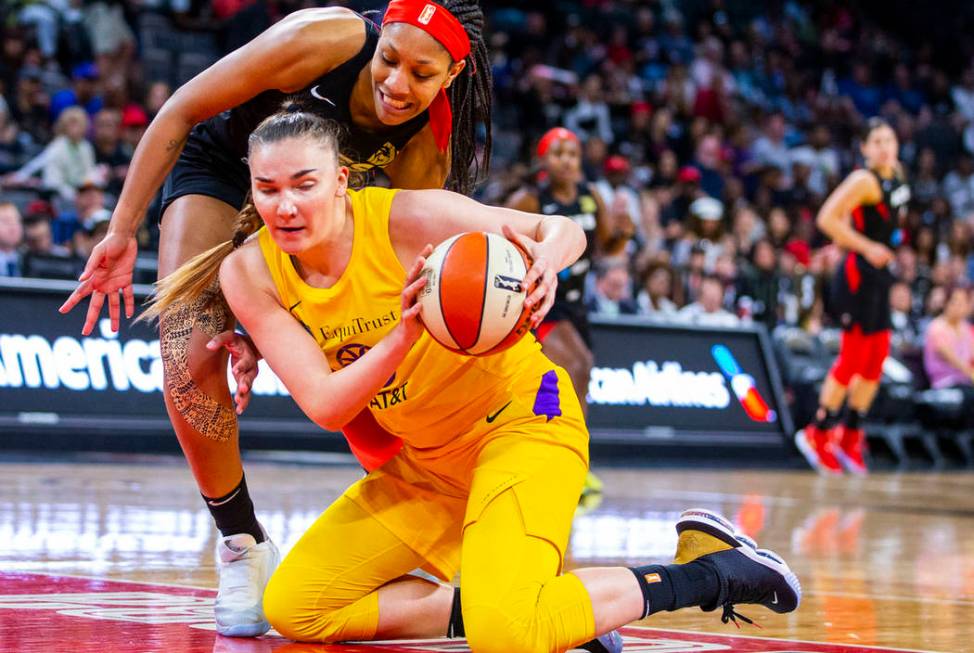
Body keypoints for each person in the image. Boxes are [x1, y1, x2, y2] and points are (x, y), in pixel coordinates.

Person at [145, 108, 800, 653]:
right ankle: (508, 602)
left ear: (341, 181)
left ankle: (709, 571)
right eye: (267, 188)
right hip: (424, 468)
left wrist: (547, 256)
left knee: (506, 635)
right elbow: (324, 402)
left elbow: (560, 227)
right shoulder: (249, 271)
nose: (285, 204)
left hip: (522, 424)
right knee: (295, 607)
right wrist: (403, 331)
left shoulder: (408, 220)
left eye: (304, 184)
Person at [59, 0, 494, 637]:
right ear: (378, 38)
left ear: (451, 75)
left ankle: (441, 520)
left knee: (365, 358)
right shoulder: (325, 39)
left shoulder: (425, 149)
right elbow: (181, 108)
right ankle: (241, 540)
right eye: (390, 59)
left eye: (420, 74)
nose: (397, 83)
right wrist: (122, 230)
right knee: (187, 351)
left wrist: (273, 319)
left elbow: (377, 250)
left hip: (312, 220)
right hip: (225, 172)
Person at [505, 127, 630, 500]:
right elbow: (505, 245)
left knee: (558, 382)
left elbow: (606, 246)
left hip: (575, 304)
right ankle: (573, 463)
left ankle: (560, 461)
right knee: (578, 367)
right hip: (541, 302)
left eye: (572, 154)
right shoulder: (529, 199)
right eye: (558, 154)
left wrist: (624, 233)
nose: (567, 161)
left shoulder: (591, 198)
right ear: (543, 160)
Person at [795, 118, 911, 476]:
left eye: (888, 139)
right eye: (875, 141)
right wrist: (863, 244)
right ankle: (819, 432)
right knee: (852, 358)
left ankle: (850, 435)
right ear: (864, 149)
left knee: (876, 359)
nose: (884, 146)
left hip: (881, 274)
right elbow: (827, 218)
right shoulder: (863, 179)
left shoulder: (898, 174)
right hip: (858, 273)